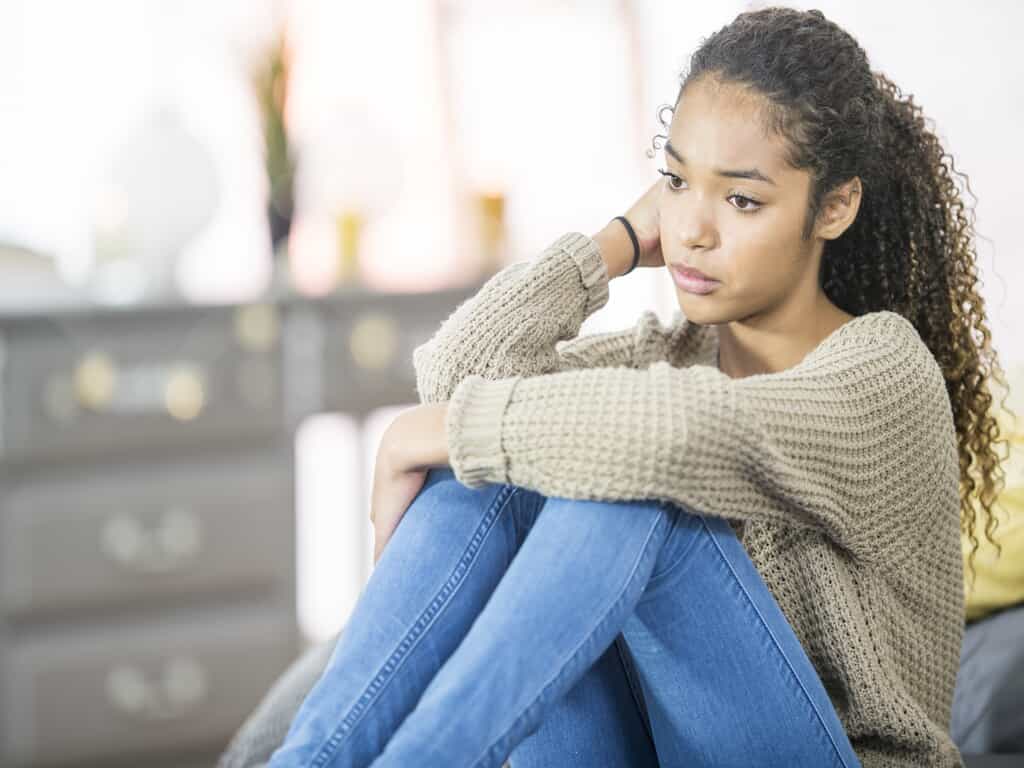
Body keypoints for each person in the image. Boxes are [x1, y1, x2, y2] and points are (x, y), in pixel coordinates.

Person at [261, 7, 1011, 767]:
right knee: (488, 476)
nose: (693, 230)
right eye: (678, 182)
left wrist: (427, 431)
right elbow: (457, 370)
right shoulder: (669, 358)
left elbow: (677, 432)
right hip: (654, 751)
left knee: (627, 478)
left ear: (836, 206)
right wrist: (616, 240)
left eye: (741, 200)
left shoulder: (882, 372)